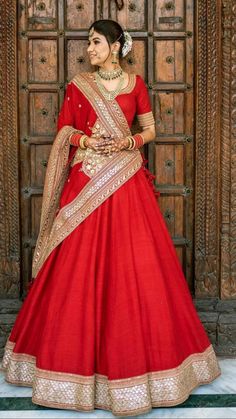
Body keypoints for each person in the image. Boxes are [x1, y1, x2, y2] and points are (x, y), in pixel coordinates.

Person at [1, 19, 220, 417]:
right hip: (86, 182)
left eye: (97, 42)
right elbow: (64, 130)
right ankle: (67, 366)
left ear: (117, 46)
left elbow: (151, 129)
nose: (90, 49)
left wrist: (129, 141)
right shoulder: (78, 85)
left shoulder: (136, 85)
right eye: (89, 43)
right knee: (76, 268)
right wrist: (85, 140)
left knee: (134, 267)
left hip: (125, 179)